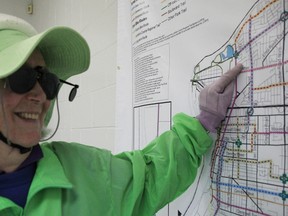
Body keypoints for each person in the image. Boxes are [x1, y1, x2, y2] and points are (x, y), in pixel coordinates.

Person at [0, 13, 243, 216]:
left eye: (48, 81)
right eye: (21, 78)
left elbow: (148, 180)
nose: (40, 95)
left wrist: (204, 121)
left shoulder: (79, 169)